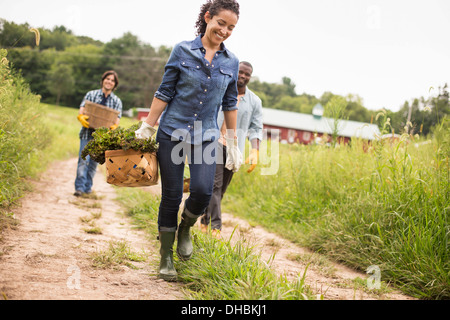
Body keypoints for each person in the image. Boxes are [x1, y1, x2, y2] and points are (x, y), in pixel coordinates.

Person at [134, 0, 242, 281]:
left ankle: (185, 228)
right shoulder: (182, 50)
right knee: (170, 196)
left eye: (231, 27)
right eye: (221, 23)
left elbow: (230, 103)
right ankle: (166, 256)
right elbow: (165, 91)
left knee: (203, 191)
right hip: (172, 132)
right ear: (208, 17)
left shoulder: (231, 62)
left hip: (206, 136)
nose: (225, 31)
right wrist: (148, 124)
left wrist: (233, 142)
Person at [201, 61, 263, 237]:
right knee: (215, 185)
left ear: (250, 77)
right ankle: (216, 229)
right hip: (214, 142)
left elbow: (256, 129)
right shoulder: (220, 91)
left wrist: (255, 150)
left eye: (247, 74)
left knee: (221, 190)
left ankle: (205, 220)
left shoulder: (254, 102)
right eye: (241, 72)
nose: (243, 76)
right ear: (235, 72)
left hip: (234, 149)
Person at [74, 70, 123, 197]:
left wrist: (114, 126)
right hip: (87, 133)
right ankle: (79, 188)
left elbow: (117, 120)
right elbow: (82, 109)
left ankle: (87, 188)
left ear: (115, 84)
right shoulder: (91, 95)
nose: (109, 82)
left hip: (101, 139)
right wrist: (81, 117)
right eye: (107, 79)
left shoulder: (117, 101)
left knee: (93, 164)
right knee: (83, 160)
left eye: (112, 80)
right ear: (103, 80)